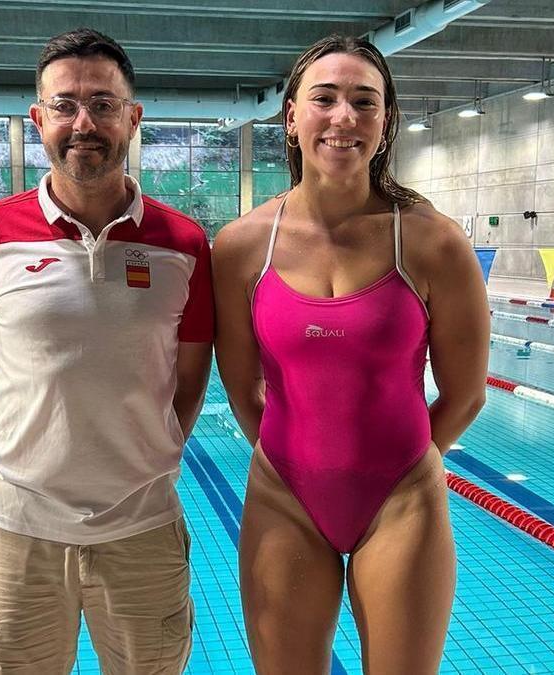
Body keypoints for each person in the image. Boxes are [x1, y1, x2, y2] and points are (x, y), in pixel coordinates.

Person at [0, 28, 213, 675]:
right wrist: (26, 459)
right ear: (39, 119)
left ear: (133, 117)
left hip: (143, 527)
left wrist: (144, 453)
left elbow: (192, 377)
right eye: (64, 105)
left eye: (102, 103)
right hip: (19, 531)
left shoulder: (184, 242)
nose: (83, 121)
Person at [212, 35, 489, 674]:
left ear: (385, 122)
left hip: (402, 502)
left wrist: (400, 464)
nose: (345, 117)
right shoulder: (240, 247)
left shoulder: (433, 242)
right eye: (325, 99)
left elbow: (467, 393)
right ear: (291, 117)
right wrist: (301, 457)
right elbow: (241, 389)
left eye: (365, 102)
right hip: (284, 497)